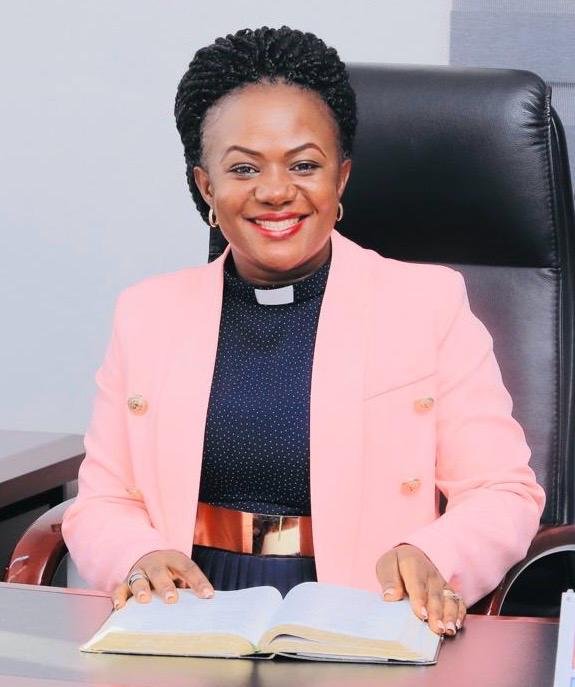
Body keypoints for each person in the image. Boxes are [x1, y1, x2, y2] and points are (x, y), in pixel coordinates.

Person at [62, 25, 545, 638]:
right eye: (243, 168)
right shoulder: (147, 313)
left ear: (340, 179)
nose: (275, 192)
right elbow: (102, 500)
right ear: (206, 185)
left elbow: (501, 489)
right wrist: (137, 558)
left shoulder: (426, 303)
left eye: (304, 165)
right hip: (191, 615)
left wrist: (436, 556)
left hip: (363, 607)